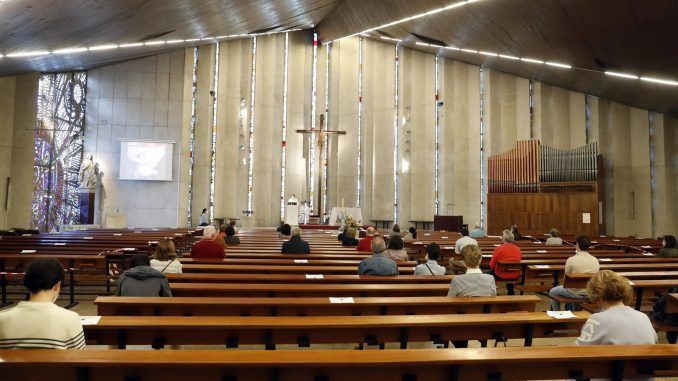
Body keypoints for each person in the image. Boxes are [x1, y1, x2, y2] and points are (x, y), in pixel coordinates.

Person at [0, 258, 86, 349]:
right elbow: (78, 357)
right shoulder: (71, 318)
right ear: (57, 285)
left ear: (27, 283)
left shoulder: (2, 318)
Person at [575, 270, 657, 346]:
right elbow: (655, 342)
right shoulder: (643, 317)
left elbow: (578, 350)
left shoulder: (597, 320)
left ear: (598, 296)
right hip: (645, 361)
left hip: (615, 361)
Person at [548, 235, 599, 311]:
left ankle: (557, 313)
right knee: (571, 289)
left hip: (575, 293)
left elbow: (566, 281)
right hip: (590, 292)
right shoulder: (595, 260)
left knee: (552, 291)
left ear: (577, 245)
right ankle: (575, 311)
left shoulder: (571, 259)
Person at [488, 229, 522, 295]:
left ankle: (491, 293)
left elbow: (491, 265)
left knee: (486, 274)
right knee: (510, 271)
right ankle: (511, 292)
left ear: (504, 238)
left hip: (501, 275)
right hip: (515, 275)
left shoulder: (499, 249)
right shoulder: (518, 249)